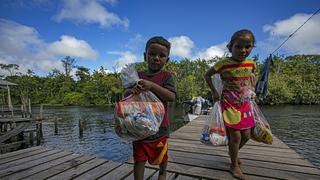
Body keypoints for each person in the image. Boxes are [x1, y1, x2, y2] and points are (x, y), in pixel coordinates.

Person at [204, 29, 256, 180]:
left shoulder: (251, 64)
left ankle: (233, 153)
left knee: (246, 135)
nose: (243, 50)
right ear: (230, 47)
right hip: (229, 104)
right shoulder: (224, 64)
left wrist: (251, 89)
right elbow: (207, 74)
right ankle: (234, 165)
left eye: (248, 46)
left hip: (245, 104)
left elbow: (251, 76)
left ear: (252, 47)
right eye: (238, 46)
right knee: (235, 137)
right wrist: (214, 91)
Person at [124, 36, 176, 180]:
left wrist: (152, 86)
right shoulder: (137, 76)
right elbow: (126, 95)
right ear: (145, 56)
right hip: (138, 125)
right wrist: (131, 91)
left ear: (167, 59)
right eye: (152, 54)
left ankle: (162, 173)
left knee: (161, 154)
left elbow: (171, 97)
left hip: (160, 127)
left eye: (161, 55)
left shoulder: (166, 76)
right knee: (139, 158)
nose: (156, 58)